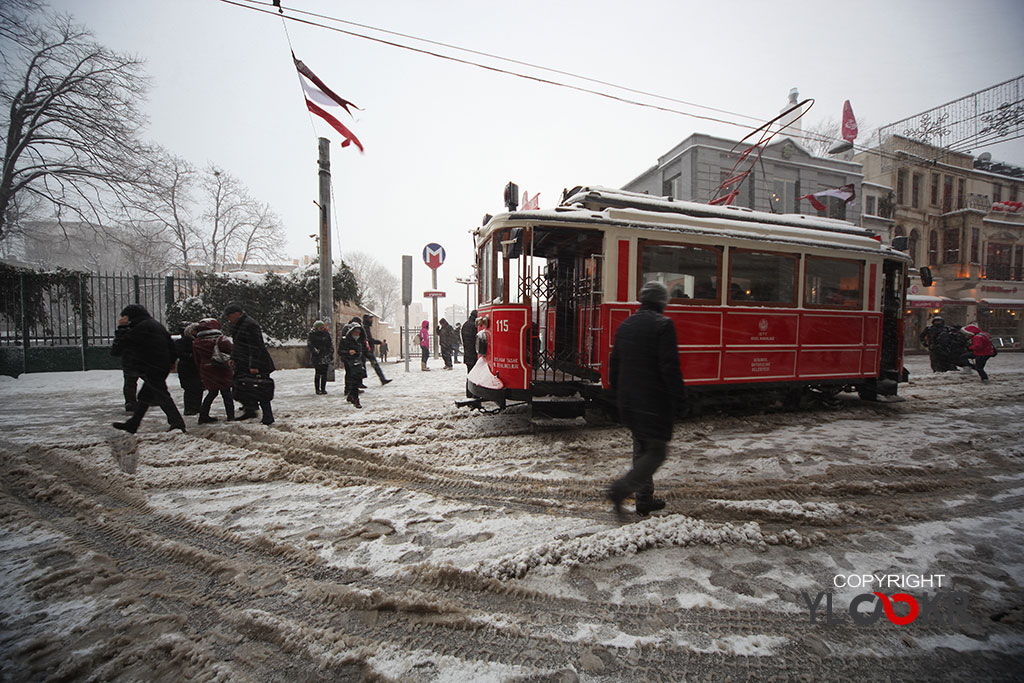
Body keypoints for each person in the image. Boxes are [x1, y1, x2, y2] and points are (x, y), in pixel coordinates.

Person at [607, 282, 686, 519]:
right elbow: (669, 368)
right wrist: (679, 399)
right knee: (656, 452)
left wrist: (617, 396)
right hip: (653, 399)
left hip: (630, 399)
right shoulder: (663, 325)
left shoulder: (626, 325)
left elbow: (615, 365)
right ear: (662, 302)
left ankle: (644, 500)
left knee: (641, 448)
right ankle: (620, 490)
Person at [110, 304, 187, 434]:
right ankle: (133, 423)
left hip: (150, 366)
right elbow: (170, 345)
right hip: (160, 365)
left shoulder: (139, 328)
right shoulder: (155, 325)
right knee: (145, 396)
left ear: (130, 316)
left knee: (162, 395)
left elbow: (117, 349)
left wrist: (122, 328)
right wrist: (172, 361)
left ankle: (177, 423)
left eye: (124, 317)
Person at [224, 303, 275, 425]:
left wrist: (254, 365)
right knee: (243, 387)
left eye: (229, 317)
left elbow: (255, 346)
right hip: (243, 362)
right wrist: (233, 358)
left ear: (236, 314)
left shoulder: (250, 325)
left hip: (257, 363)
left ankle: (268, 416)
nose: (228, 320)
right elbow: (237, 345)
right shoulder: (239, 325)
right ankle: (250, 409)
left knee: (261, 388)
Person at [192, 317, 235, 423]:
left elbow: (197, 359)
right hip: (221, 369)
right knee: (226, 393)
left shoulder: (197, 342)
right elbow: (231, 352)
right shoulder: (221, 339)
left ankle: (203, 416)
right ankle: (231, 416)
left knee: (211, 393)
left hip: (207, 369)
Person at [173, 323, 204, 415]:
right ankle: (189, 408)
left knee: (198, 388)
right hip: (186, 368)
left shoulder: (199, 341)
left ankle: (197, 407)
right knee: (189, 389)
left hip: (195, 368)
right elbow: (179, 353)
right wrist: (192, 356)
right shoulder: (182, 342)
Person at [467, 315, 503, 391]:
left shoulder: (466, 325)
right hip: (472, 354)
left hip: (470, 354)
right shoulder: (471, 326)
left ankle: (470, 392)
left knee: (472, 372)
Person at [339, 321, 368, 408]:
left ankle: (351, 395)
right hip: (349, 361)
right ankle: (354, 397)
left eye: (358, 332)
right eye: (355, 332)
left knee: (356, 378)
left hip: (357, 361)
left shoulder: (360, 340)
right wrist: (348, 352)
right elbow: (340, 351)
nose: (357, 334)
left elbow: (363, 350)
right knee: (352, 378)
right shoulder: (345, 340)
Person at [361, 314, 392, 385]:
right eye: (370, 319)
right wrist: (378, 342)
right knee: (364, 366)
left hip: (367, 349)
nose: (371, 321)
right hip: (365, 349)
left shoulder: (367, 327)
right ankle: (382, 379)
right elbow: (369, 339)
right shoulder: (365, 328)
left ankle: (382, 379)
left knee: (372, 365)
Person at [307, 320, 333, 395]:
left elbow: (330, 344)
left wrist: (330, 352)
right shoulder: (312, 334)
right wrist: (315, 351)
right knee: (318, 373)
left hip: (326, 355)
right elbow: (310, 345)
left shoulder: (326, 334)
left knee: (324, 373)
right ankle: (317, 389)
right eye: (320, 327)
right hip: (317, 356)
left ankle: (323, 388)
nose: (322, 329)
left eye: (323, 327)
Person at [461, 310, 478, 398]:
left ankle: (469, 394)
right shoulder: (473, 326)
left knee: (470, 375)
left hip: (468, 354)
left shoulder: (465, 325)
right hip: (473, 354)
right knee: (474, 376)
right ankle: (473, 395)